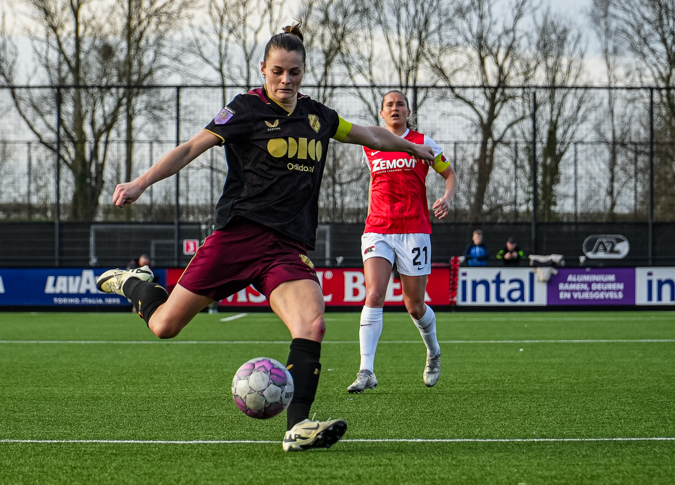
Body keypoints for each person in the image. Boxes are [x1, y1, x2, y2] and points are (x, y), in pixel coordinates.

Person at [95, 20, 437, 453]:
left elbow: (370, 134)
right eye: (277, 71)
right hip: (237, 239)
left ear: (303, 72)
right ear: (263, 69)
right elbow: (190, 148)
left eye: (294, 72)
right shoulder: (245, 109)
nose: (285, 80)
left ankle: (299, 427)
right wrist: (141, 183)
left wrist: (413, 147)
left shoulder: (318, 117)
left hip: (286, 249)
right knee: (164, 326)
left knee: (312, 323)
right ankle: (135, 284)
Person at [347, 90, 457, 394]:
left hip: (414, 230)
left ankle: (433, 352)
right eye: (389, 105)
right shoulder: (371, 143)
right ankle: (366, 370)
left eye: (400, 104)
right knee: (374, 294)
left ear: (408, 111)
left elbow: (449, 174)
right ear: (382, 113)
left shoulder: (424, 142)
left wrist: (447, 198)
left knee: (415, 305)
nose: (395, 108)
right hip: (378, 229)